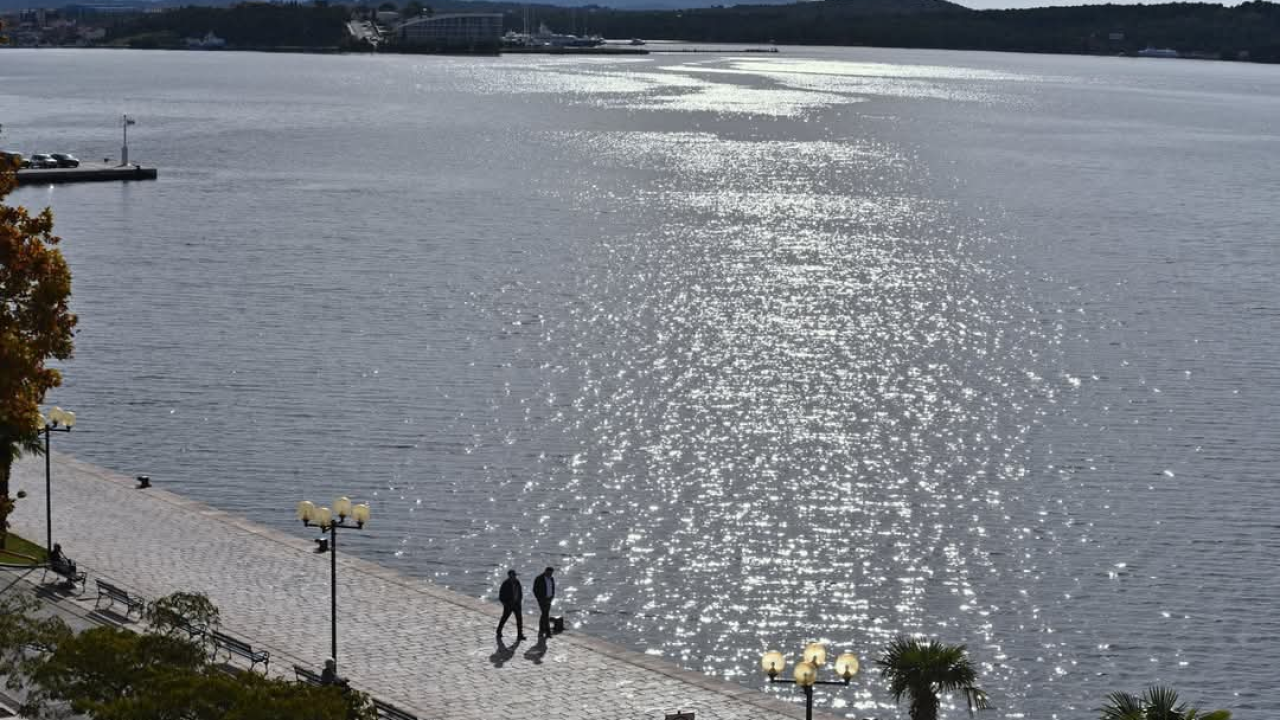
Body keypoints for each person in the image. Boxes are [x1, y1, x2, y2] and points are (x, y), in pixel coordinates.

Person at [496, 569, 525, 641]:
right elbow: (501, 595)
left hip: (517, 604)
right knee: (504, 618)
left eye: (515, 575)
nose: (515, 576)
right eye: (513, 575)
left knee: (519, 619)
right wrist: (505, 604)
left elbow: (520, 591)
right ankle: (499, 631)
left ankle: (520, 635)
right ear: (509, 575)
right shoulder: (505, 583)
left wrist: (520, 599)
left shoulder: (517, 582)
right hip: (509, 604)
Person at [532, 566, 556, 640]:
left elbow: (552, 588)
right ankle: (548, 632)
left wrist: (552, 597)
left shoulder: (551, 578)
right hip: (542, 600)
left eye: (551, 573)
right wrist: (540, 599)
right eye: (549, 573)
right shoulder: (539, 578)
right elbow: (535, 590)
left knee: (544, 614)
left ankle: (541, 629)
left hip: (549, 599)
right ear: (545, 571)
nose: (550, 574)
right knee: (545, 614)